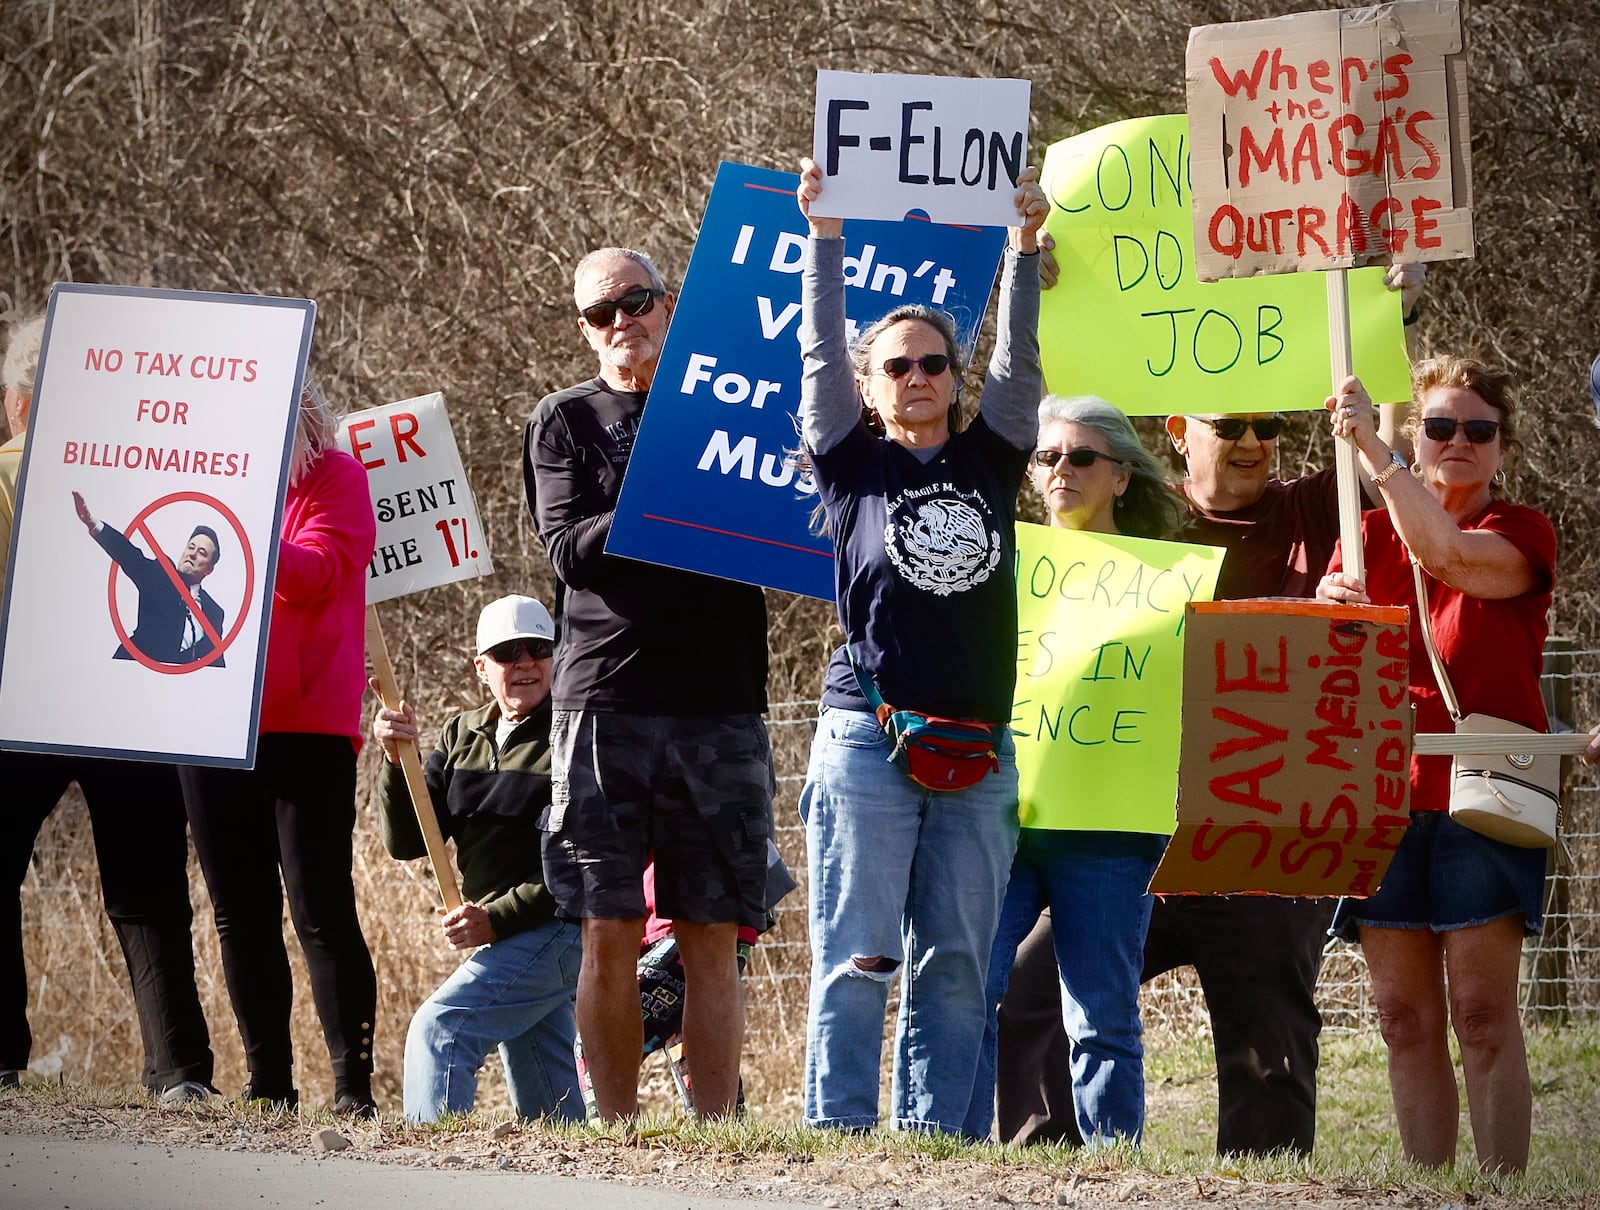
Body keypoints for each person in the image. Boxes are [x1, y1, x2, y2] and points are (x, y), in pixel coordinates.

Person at [1140, 264, 1426, 1158]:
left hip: (1269, 825)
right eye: (1233, 427)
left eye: (1272, 425)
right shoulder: (1133, 515)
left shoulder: (1318, 506)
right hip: (1136, 823)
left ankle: (1266, 1187)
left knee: (1270, 1031)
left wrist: (1390, 309)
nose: (1259, 442)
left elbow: (1382, 447)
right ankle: (1044, 1167)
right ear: (1178, 431)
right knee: (1034, 984)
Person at [793, 156, 1047, 1135]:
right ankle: (840, 1133)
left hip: (979, 744)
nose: (916, 377)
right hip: (868, 730)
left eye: (933, 362)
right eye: (895, 364)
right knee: (859, 953)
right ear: (871, 381)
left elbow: (1019, 368)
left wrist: (1024, 249)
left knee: (954, 962)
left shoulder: (992, 455)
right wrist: (825, 237)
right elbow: (819, 351)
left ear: (953, 375)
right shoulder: (849, 460)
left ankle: (937, 1140)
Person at [523, 246, 774, 1121]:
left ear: (669, 306)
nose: (622, 319)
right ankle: (617, 1134)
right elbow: (568, 551)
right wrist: (670, 496)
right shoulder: (563, 421)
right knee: (608, 926)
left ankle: (716, 1134)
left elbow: (781, 516)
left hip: (720, 700)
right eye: (601, 311)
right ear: (585, 329)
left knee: (713, 934)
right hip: (606, 702)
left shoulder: (735, 405)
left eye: (638, 300)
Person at [1317, 358, 1552, 1175]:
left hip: (1485, 795)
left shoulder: (1524, 534)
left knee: (1483, 1013)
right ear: (1419, 430)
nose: (1458, 442)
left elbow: (1449, 554)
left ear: (1501, 448)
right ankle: (1427, 1190)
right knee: (1402, 1018)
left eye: (1478, 430)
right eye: (1441, 426)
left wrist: (1376, 454)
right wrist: (1324, 612)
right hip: (1379, 795)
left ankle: (1503, 1190)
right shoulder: (1361, 538)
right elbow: (1327, 672)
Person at [963, 395, 1188, 1146]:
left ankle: (1114, 1170)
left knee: (1100, 1014)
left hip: (1110, 830)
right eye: (1047, 456)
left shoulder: (1169, 579)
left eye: (1081, 456)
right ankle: (950, 1156)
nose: (1061, 469)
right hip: (998, 814)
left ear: (1121, 476)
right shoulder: (1000, 557)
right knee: (968, 991)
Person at [1, 314, 214, 1099]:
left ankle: (1, 1061)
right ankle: (180, 1071)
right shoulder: (140, 478)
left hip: (19, 707)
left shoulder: (7, 471)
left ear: (19, 403)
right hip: (131, 702)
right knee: (150, 886)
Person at [178, 380, 379, 1115]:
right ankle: (269, 1086)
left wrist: (239, 525)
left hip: (306, 724)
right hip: (206, 715)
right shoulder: (193, 486)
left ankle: (353, 1091)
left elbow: (315, 575)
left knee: (319, 907)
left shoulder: (338, 478)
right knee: (239, 910)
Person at [373, 594, 583, 1123]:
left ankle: (436, 1175)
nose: (525, 664)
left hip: (558, 930)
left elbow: (581, 861)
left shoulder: (575, 736)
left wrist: (496, 917)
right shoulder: (459, 734)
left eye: (538, 648)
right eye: (508, 652)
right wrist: (399, 763)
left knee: (441, 1030)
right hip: (508, 935)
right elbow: (408, 842)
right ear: (481, 667)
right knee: (546, 1095)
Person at [71, 493, 226, 666]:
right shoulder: (160, 573)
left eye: (202, 552)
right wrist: (93, 524)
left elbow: (215, 661)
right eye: (191, 547)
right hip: (130, 671)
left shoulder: (214, 612)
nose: (193, 553)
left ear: (209, 569)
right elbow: (130, 556)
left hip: (172, 685)